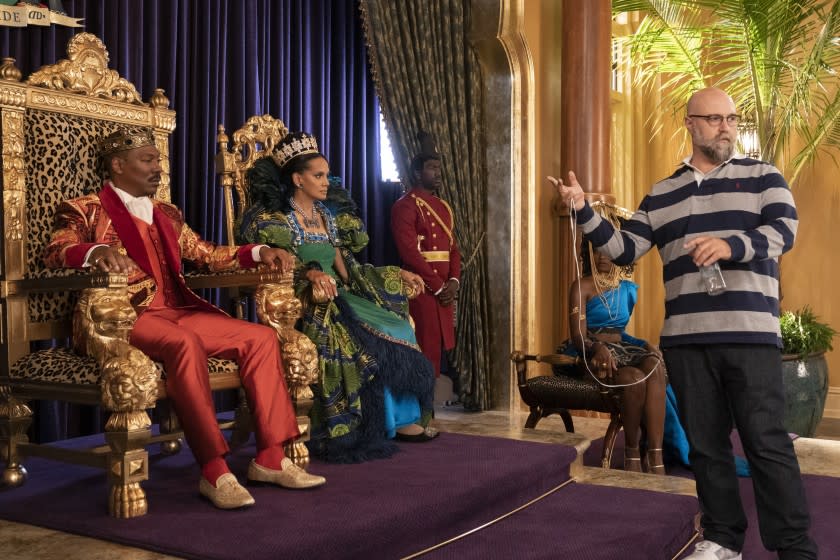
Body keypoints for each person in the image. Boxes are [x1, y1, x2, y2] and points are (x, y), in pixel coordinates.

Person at [552, 87, 816, 559]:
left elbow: (784, 231)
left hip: (751, 337)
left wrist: (730, 245)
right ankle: (721, 540)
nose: (726, 127)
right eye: (714, 119)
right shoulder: (663, 192)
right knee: (706, 447)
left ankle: (794, 549)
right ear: (690, 124)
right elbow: (624, 249)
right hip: (687, 342)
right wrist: (583, 210)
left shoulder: (763, 176)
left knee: (766, 443)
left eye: (732, 119)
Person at [43, 129, 326, 511]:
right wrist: (94, 252)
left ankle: (271, 459)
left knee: (260, 338)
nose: (157, 168)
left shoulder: (167, 214)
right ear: (117, 165)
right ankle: (214, 469)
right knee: (184, 344)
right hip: (123, 317)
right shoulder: (85, 208)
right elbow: (57, 249)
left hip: (176, 310)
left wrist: (259, 252)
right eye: (147, 160)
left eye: (158, 161)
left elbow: (207, 254)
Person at [238, 131, 438, 464]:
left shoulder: (328, 218)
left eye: (327, 175)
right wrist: (311, 273)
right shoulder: (279, 222)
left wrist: (392, 275)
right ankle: (366, 423)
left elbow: (348, 271)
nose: (326, 182)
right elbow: (283, 268)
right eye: (318, 175)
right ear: (297, 179)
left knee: (398, 323)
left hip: (340, 293)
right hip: (306, 298)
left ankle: (401, 421)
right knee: (354, 339)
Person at [560, 210, 667, 475]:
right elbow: (578, 336)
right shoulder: (581, 287)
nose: (602, 256)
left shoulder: (627, 288)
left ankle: (655, 454)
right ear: (589, 254)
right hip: (590, 350)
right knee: (632, 377)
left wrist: (645, 345)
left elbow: (622, 334)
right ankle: (631, 451)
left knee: (654, 364)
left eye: (608, 251)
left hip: (624, 347)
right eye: (597, 251)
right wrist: (597, 347)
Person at [390, 146, 462, 389]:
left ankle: (427, 411)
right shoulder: (405, 205)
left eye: (439, 168)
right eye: (432, 168)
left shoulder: (444, 207)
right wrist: (438, 286)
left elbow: (454, 248)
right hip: (421, 288)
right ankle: (419, 415)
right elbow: (409, 252)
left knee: (436, 352)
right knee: (423, 350)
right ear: (417, 173)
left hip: (443, 288)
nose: (438, 173)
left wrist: (453, 281)